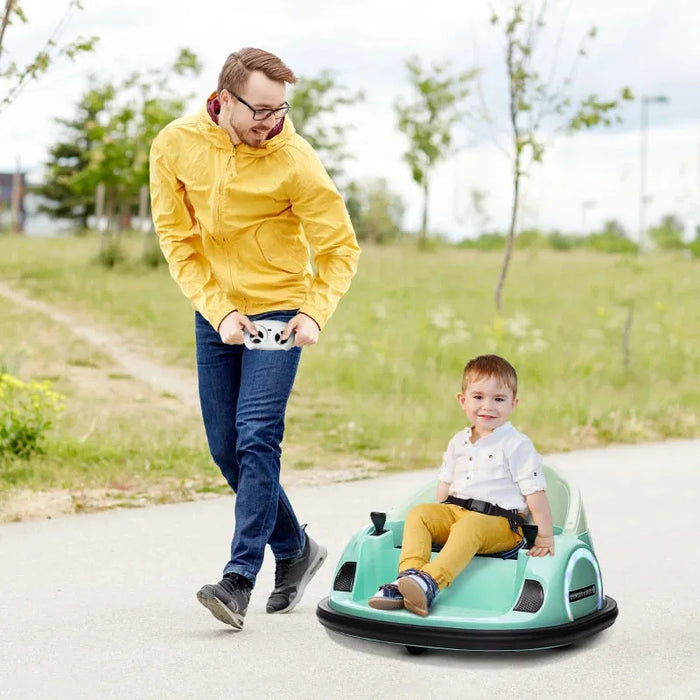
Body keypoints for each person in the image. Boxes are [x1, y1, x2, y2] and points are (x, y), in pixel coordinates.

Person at [149, 47, 360, 629]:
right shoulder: (174, 145)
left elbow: (340, 247)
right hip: (217, 311)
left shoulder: (295, 160)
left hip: (280, 310)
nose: (273, 122)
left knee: (256, 436)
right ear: (224, 98)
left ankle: (239, 579)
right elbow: (178, 240)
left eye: (281, 109)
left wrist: (314, 313)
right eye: (261, 110)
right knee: (225, 447)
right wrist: (218, 312)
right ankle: (295, 549)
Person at [369, 354, 555, 617]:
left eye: (498, 399)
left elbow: (535, 493)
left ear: (513, 404)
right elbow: (445, 484)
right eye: (478, 397)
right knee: (420, 513)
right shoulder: (458, 441)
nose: (487, 406)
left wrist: (544, 536)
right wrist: (439, 521)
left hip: (502, 525)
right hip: (458, 514)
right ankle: (406, 580)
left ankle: (430, 582)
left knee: (470, 525)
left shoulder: (517, 444)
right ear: (462, 400)